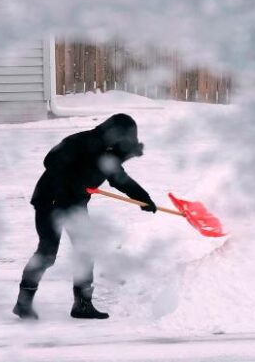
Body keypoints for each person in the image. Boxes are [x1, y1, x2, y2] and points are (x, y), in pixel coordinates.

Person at [13, 113, 156, 320]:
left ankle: (82, 304)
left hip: (74, 205)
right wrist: (73, 182)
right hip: (50, 201)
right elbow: (50, 160)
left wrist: (144, 198)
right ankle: (23, 303)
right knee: (47, 253)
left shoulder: (109, 155)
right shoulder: (81, 142)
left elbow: (120, 179)